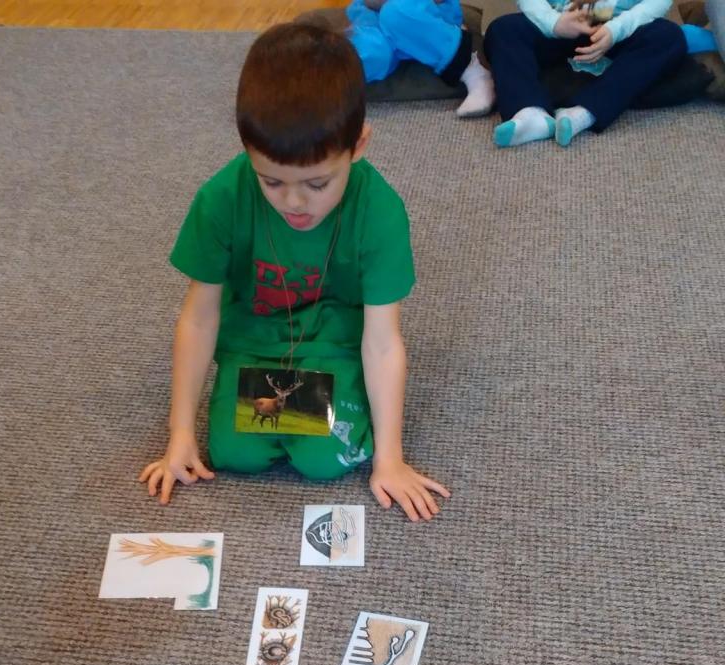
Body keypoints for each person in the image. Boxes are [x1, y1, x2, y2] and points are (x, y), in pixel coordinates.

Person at [140, 22, 450, 522]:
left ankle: (335, 405)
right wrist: (179, 434)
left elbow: (383, 341)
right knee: (234, 453)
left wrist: (390, 460)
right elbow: (198, 318)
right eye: (271, 181)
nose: (294, 202)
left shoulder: (380, 212)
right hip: (254, 342)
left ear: (359, 145)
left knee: (323, 460)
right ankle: (286, 408)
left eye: (317, 183)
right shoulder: (221, 198)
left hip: (336, 346)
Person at [484, 0, 686, 146]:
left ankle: (584, 112)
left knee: (669, 36)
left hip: (617, 25)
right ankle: (530, 112)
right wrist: (553, 23)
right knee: (502, 29)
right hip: (560, 22)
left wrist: (616, 30)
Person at [347, 0, 495, 116]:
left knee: (395, 13)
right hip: (373, 17)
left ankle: (473, 72)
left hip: (420, 13)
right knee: (369, 51)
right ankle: (335, 84)